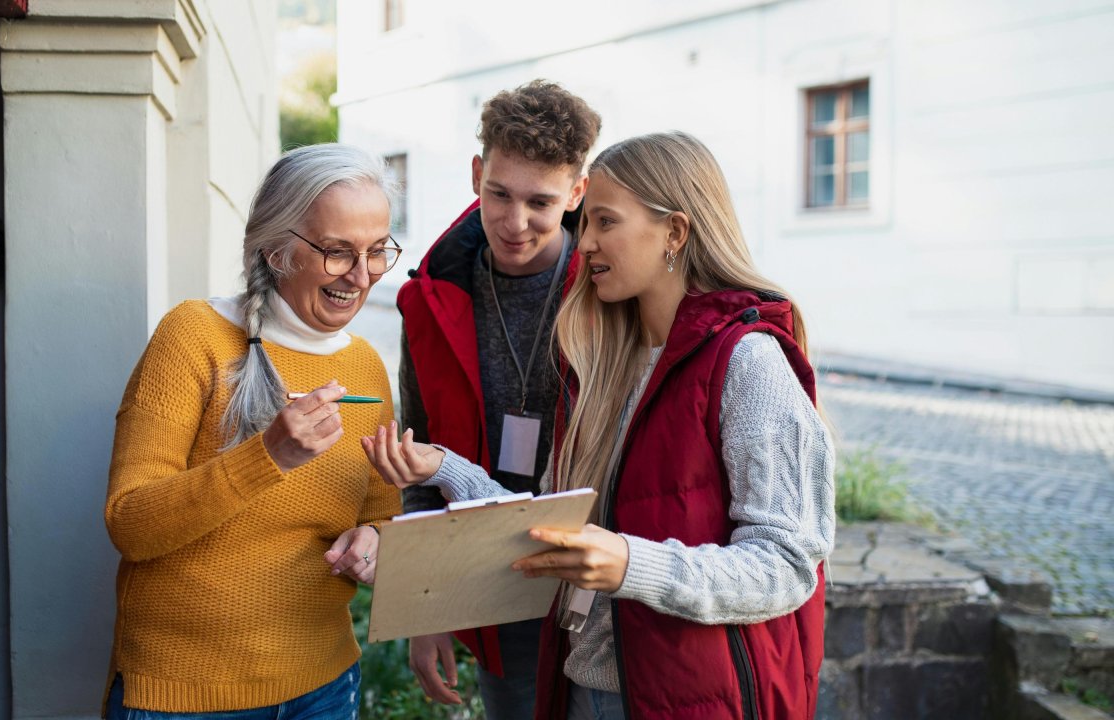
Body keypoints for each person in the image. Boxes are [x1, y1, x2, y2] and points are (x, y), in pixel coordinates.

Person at [365, 131, 835, 720]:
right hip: (583, 685)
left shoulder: (748, 363)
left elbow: (789, 565)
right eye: (585, 223)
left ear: (675, 232)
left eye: (603, 222)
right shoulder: (603, 359)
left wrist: (628, 565)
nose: (581, 241)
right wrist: (446, 468)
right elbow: (554, 524)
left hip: (687, 697)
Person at [101, 143, 404, 718]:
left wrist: (375, 542)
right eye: (338, 253)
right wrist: (267, 456)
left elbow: (378, 512)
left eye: (377, 251)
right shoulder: (194, 336)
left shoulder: (365, 365)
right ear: (276, 248)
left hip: (324, 684)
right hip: (185, 694)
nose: (362, 277)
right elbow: (130, 522)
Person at [395, 79, 601, 716]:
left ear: (576, 191)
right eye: (499, 195)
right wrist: (427, 607)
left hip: (604, 581)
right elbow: (419, 455)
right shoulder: (430, 298)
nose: (516, 223)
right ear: (477, 173)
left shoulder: (610, 287)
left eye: (540, 202)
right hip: (494, 579)